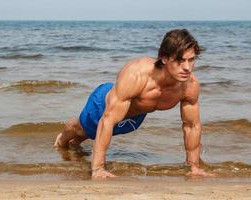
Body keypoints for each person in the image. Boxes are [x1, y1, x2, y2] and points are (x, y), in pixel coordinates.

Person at [54, 29, 214, 179]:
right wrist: (98, 169)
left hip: (134, 117)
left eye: (191, 60)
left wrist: (194, 167)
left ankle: (75, 147)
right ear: (164, 58)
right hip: (104, 103)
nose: (187, 67)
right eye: (180, 60)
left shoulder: (189, 85)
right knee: (82, 129)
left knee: (84, 136)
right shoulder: (137, 75)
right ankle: (61, 140)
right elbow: (108, 120)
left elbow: (191, 125)